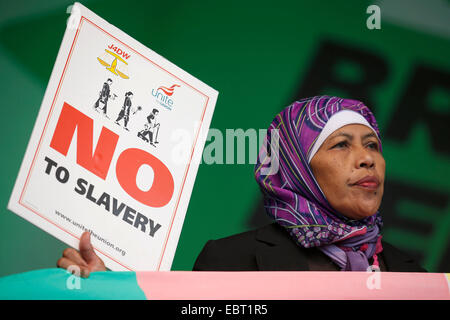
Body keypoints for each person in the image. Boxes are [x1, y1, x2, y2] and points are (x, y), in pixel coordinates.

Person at [57, 96, 426, 276]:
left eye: (373, 145)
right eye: (342, 144)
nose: (367, 159)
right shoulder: (231, 261)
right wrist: (110, 291)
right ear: (298, 168)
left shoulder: (417, 277)